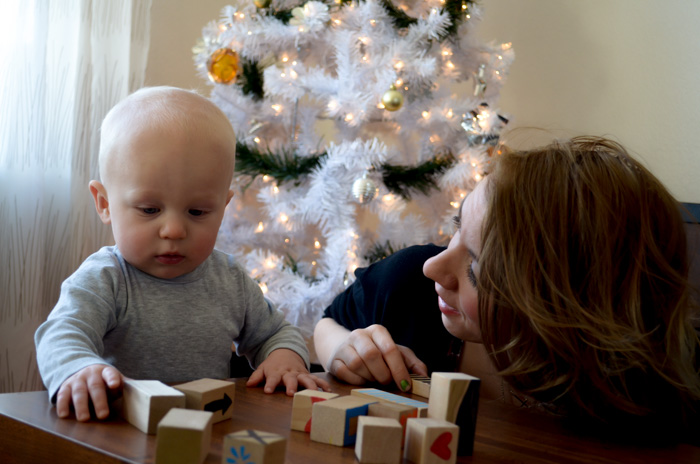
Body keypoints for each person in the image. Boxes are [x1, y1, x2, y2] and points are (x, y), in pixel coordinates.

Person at [315, 136, 700, 438]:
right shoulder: (408, 284)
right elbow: (329, 322)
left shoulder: (650, 394)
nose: (435, 268)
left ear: (561, 311)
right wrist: (341, 350)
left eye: (478, 269)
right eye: (456, 225)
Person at [35, 86, 330, 423]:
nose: (174, 230)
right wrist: (80, 367)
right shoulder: (107, 278)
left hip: (209, 429)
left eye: (198, 212)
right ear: (104, 204)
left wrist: (284, 356)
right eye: (149, 209)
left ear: (223, 208)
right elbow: (61, 334)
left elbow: (276, 332)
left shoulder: (228, 280)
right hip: (121, 433)